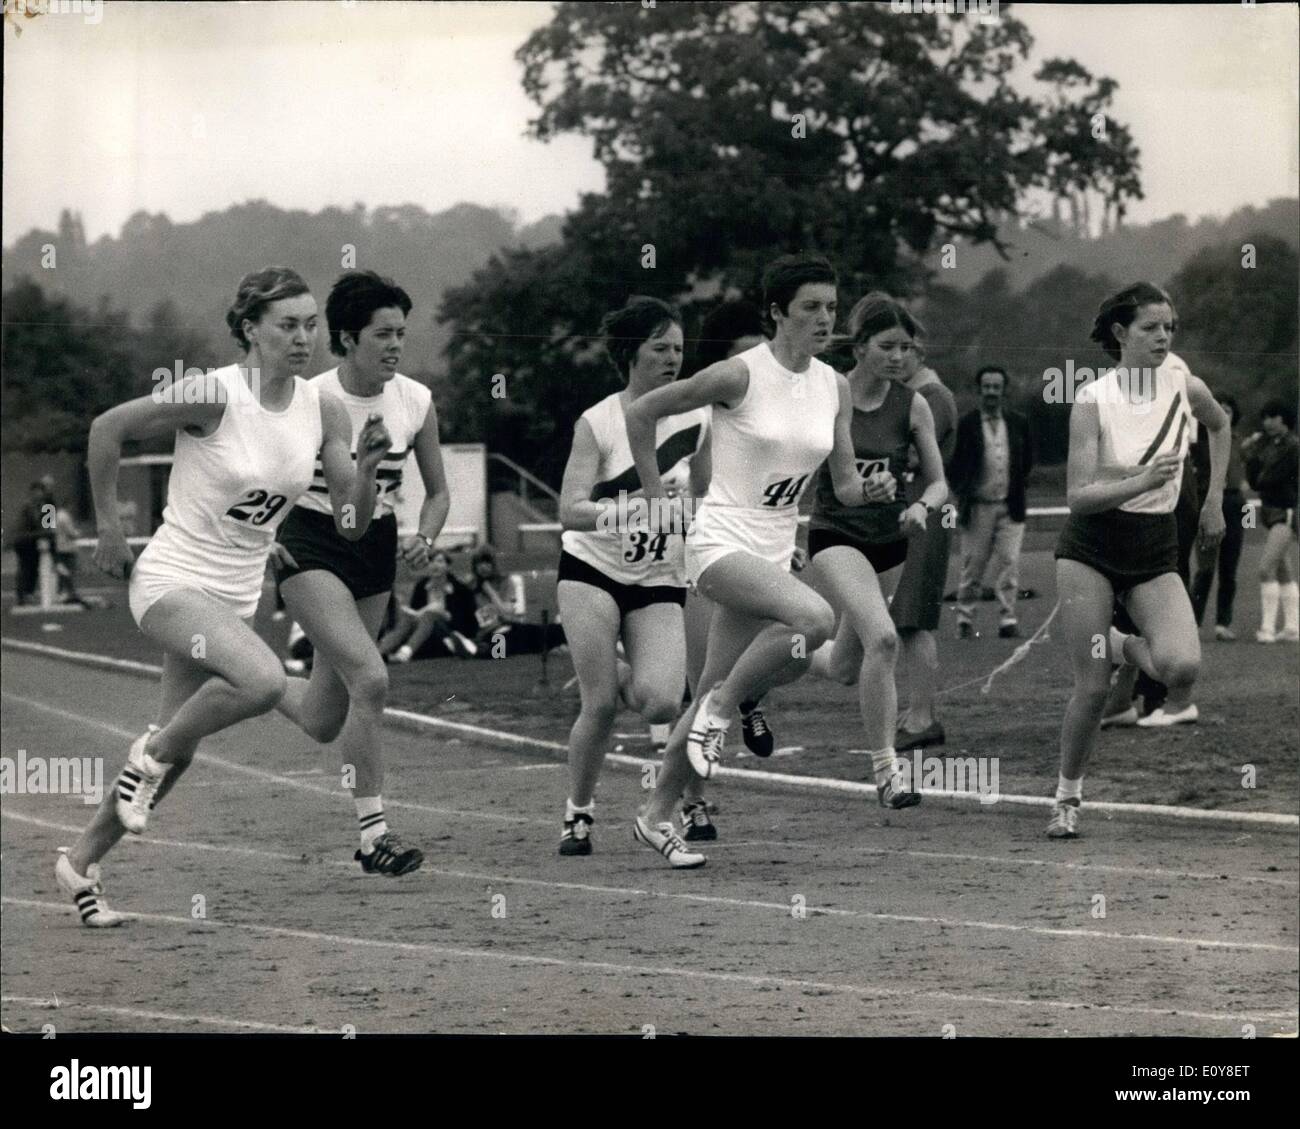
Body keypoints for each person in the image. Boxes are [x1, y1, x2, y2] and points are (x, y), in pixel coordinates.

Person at [55, 266, 391, 925]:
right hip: (172, 580)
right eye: (287, 324)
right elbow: (106, 428)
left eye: (310, 324)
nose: (303, 337)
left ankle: (80, 863)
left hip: (235, 596)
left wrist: (371, 471)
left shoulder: (321, 408)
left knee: (178, 751)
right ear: (250, 329)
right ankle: (143, 759)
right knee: (263, 681)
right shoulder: (215, 394)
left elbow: (350, 519)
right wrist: (111, 524)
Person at [625, 253, 882, 868]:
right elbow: (642, 412)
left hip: (772, 545)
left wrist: (867, 490)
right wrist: (656, 490)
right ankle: (722, 712)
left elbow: (841, 484)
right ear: (776, 314)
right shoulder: (737, 375)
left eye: (831, 307)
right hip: (719, 542)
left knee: (722, 678)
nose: (826, 319)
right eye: (810, 308)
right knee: (814, 622)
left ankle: (656, 816)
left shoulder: (834, 385)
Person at [270, 270, 450, 875]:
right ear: (346, 339)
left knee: (324, 716)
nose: (396, 345)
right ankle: (374, 835)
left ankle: (249, 675)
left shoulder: (416, 401)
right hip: (311, 542)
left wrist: (426, 537)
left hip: (374, 544)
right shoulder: (309, 399)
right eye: (382, 335)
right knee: (370, 680)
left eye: (401, 333)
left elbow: (438, 493)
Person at [1048, 282, 1228, 839]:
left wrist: (1214, 498)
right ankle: (1067, 797)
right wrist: (1138, 481)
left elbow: (1220, 426)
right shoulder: (1092, 400)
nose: (1164, 336)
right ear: (1121, 334)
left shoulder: (1183, 382)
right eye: (1151, 327)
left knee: (1181, 668)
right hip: (1091, 548)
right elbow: (1078, 495)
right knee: (1094, 686)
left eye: (1169, 326)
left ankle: (1124, 644)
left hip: (1153, 548)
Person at [555, 296, 711, 856]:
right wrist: (635, 507)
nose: (673, 358)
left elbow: (711, 497)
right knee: (599, 705)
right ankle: (579, 815)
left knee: (662, 702)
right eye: (659, 348)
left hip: (657, 575)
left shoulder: (698, 417)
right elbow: (569, 510)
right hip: (592, 567)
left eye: (678, 348)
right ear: (630, 353)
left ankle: (622, 670)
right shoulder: (598, 422)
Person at [804, 293, 947, 806]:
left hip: (891, 543)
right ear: (859, 346)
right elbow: (826, 476)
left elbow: (938, 483)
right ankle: (888, 773)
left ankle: (781, 653)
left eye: (906, 348)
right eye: (887, 346)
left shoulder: (915, 404)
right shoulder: (830, 392)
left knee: (844, 666)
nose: (898, 357)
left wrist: (921, 508)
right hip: (835, 536)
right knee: (884, 640)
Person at [891, 341, 959, 751]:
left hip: (926, 511)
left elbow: (912, 458)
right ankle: (919, 711)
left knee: (914, 616)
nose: (896, 357)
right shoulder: (918, 394)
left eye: (905, 347)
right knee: (906, 615)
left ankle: (922, 718)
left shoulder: (931, 397)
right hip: (916, 510)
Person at [949, 365, 1033, 639]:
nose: (991, 393)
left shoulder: (1018, 422)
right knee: (973, 566)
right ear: (979, 390)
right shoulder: (967, 424)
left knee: (1009, 563)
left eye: (996, 387)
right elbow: (955, 464)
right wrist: (964, 492)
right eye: (987, 387)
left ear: (1004, 390)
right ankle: (964, 619)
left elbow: (1028, 460)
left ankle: (1008, 620)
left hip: (1011, 506)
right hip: (978, 507)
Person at [1190, 395, 1247, 639]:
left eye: (1228, 410)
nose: (1224, 414)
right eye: (1219, 409)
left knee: (1229, 569)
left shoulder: (1241, 442)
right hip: (1209, 500)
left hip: (1236, 504)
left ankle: (1223, 623)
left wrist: (1249, 521)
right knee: (1205, 568)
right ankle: (1193, 622)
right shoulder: (1200, 443)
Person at [1243, 399, 1300, 643]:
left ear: (1283, 419)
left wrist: (1255, 455)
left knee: (1266, 568)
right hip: (1270, 511)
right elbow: (1256, 481)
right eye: (1265, 417)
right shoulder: (1268, 444)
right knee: (1283, 571)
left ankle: (1267, 628)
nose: (1267, 421)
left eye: (1272, 416)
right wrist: (1253, 454)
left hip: (1285, 511)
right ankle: (1292, 627)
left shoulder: (1293, 446)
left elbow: (1269, 478)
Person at [380, 550, 476, 661]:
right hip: (423, 630)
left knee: (430, 615)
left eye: (440, 561)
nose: (435, 565)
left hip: (448, 632)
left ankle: (405, 653)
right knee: (408, 619)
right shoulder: (422, 586)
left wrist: (436, 612)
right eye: (431, 561)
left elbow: (465, 619)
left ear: (447, 566)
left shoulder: (459, 588)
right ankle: (380, 651)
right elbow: (414, 612)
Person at [10, 481, 51, 606]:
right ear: (32, 493)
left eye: (41, 492)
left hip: (32, 540)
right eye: (36, 492)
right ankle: (22, 596)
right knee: (25, 568)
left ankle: (27, 594)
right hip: (24, 540)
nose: (39, 494)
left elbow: (47, 527)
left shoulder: (44, 506)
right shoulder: (29, 506)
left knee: (33, 568)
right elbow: (41, 526)